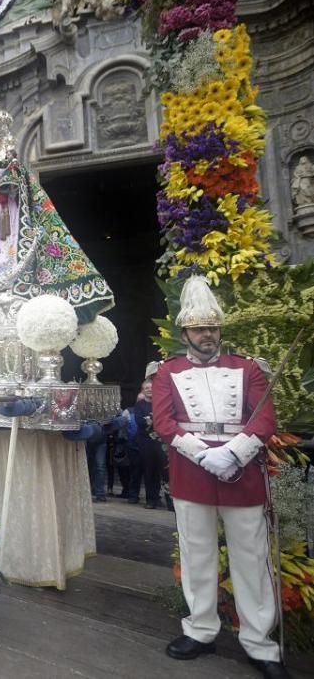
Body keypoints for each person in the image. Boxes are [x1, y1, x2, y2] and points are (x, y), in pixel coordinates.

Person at [151, 276, 286, 678]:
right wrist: (205, 456)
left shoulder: (248, 368)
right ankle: (201, 629)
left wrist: (232, 453)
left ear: (219, 329)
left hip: (242, 473)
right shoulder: (166, 372)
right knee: (198, 556)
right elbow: (164, 422)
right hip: (191, 474)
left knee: (252, 559)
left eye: (211, 328)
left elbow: (264, 418)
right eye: (198, 328)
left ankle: (260, 643)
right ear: (185, 332)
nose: (206, 335)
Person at [0, 105, 113, 325]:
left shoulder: (15, 168)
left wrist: (7, 184)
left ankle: (11, 279)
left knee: (7, 243)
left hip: (10, 213)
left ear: (5, 143)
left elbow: (23, 190)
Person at [133, 379, 165, 509]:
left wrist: (150, 419)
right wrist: (153, 420)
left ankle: (159, 497)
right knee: (148, 470)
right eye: (146, 388)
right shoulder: (139, 405)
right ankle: (150, 499)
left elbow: (163, 419)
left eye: (151, 387)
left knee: (160, 471)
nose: (149, 389)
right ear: (143, 390)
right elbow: (140, 422)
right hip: (145, 443)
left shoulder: (161, 403)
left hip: (160, 442)